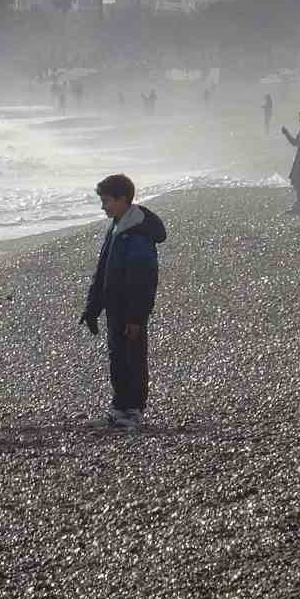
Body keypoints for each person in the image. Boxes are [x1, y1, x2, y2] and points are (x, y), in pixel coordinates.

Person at [81, 174, 167, 431]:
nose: (103, 206)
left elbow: (144, 280)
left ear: (122, 199)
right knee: (117, 358)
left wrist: (136, 318)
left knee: (133, 359)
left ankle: (134, 411)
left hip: (131, 312)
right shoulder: (118, 225)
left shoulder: (138, 233)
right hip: (115, 309)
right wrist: (92, 308)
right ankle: (118, 409)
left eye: (106, 201)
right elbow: (103, 270)